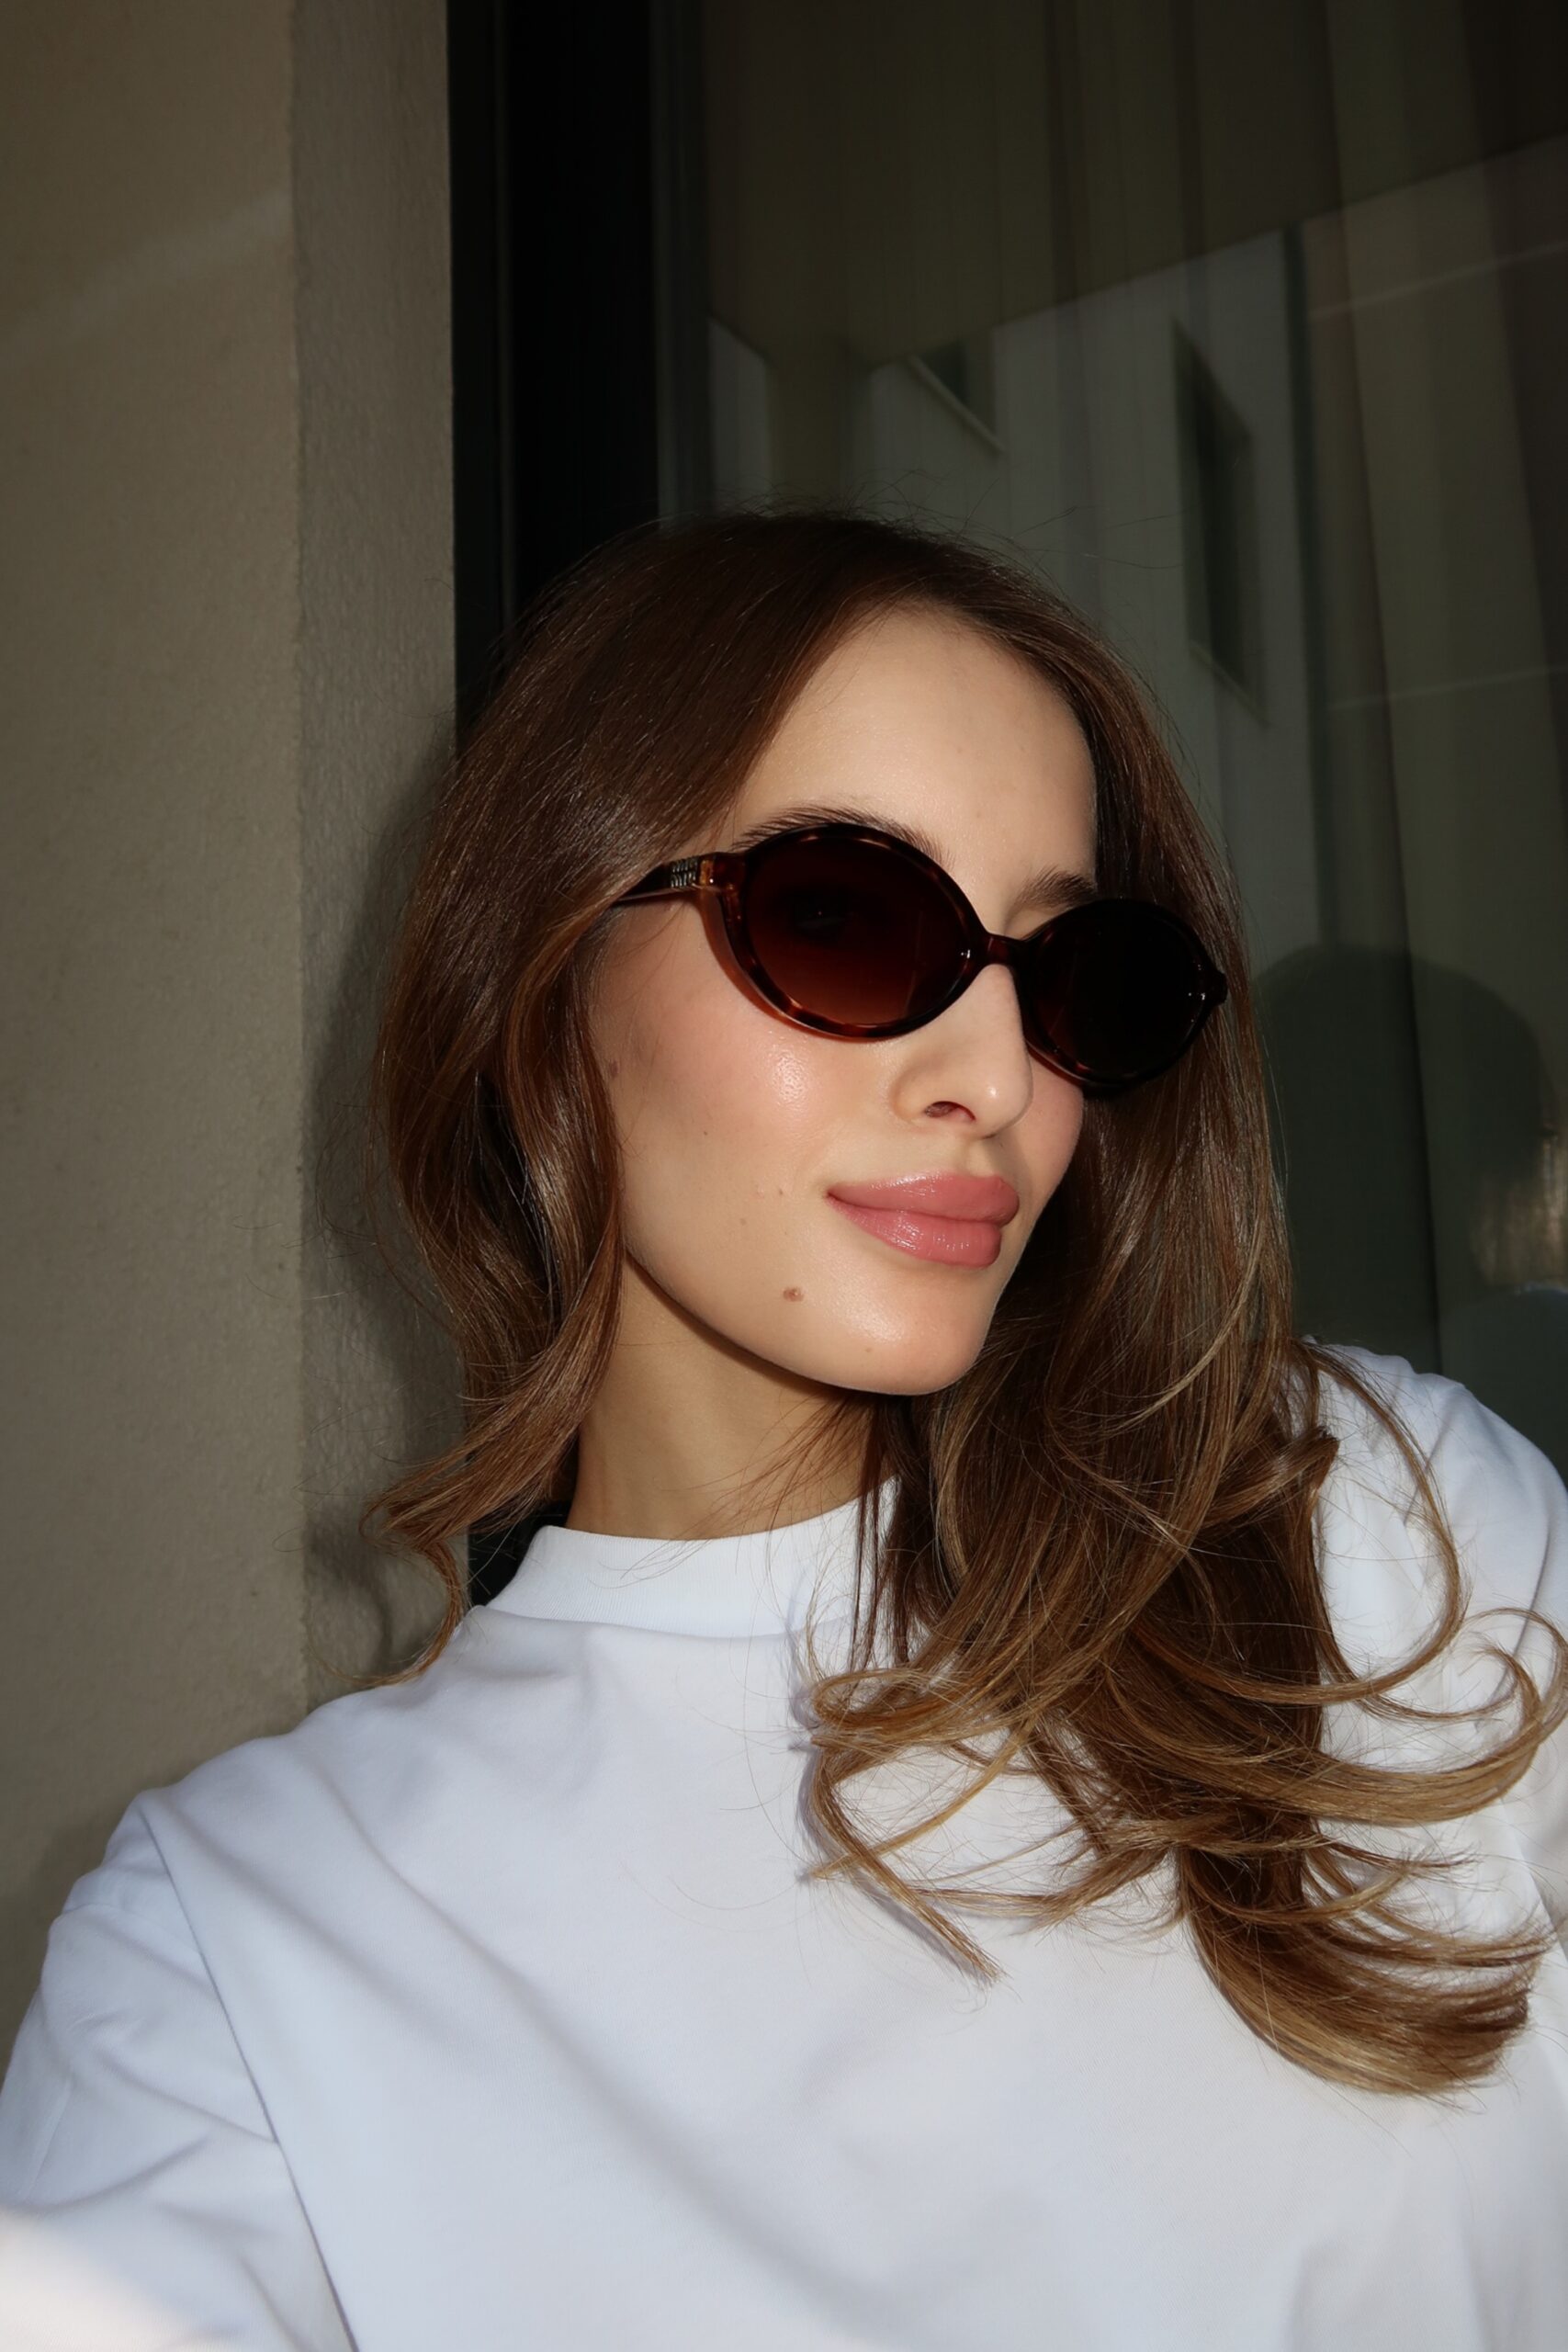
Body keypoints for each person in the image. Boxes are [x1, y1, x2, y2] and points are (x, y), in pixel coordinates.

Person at [2, 507, 1566, 2351]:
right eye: (842, 915)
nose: (992, 1076)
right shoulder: (242, 1947)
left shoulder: (1368, 1527)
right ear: (544, 973)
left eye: (1070, 973)